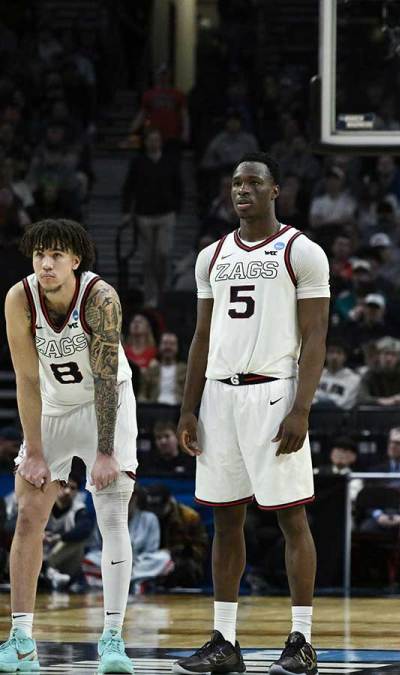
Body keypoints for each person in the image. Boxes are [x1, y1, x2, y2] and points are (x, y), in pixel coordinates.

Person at [174, 152, 329, 675]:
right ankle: (224, 640)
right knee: (225, 519)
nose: (243, 190)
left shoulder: (301, 251)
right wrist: (188, 408)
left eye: (254, 182)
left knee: (291, 517)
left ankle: (301, 640)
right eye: (236, 183)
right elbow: (201, 337)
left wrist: (301, 407)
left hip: (273, 393)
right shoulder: (211, 256)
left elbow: (315, 338)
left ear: (275, 190)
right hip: (219, 396)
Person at [3, 218, 138, 671]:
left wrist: (104, 450)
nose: (46, 263)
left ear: (75, 260)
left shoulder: (100, 299)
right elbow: (25, 378)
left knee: (112, 516)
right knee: (27, 517)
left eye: (57, 254)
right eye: (40, 254)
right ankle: (21, 640)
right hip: (54, 408)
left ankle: (113, 640)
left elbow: (104, 376)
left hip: (107, 404)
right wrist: (36, 450)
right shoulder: (19, 298)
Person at [121, 126, 182, 304]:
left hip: (166, 214)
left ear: (161, 142)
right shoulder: (138, 162)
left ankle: (163, 291)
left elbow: (179, 187)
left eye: (156, 139)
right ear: (146, 142)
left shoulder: (170, 161)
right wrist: (126, 212)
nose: (154, 143)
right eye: (150, 140)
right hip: (144, 215)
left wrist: (176, 209)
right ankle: (150, 296)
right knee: (147, 259)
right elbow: (128, 188)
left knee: (163, 253)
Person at [138, 331, 185, 404]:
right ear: (159, 346)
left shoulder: (186, 370)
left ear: (177, 347)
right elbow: (142, 394)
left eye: (172, 344)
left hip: (178, 408)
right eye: (165, 343)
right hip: (156, 409)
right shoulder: (151, 370)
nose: (168, 347)